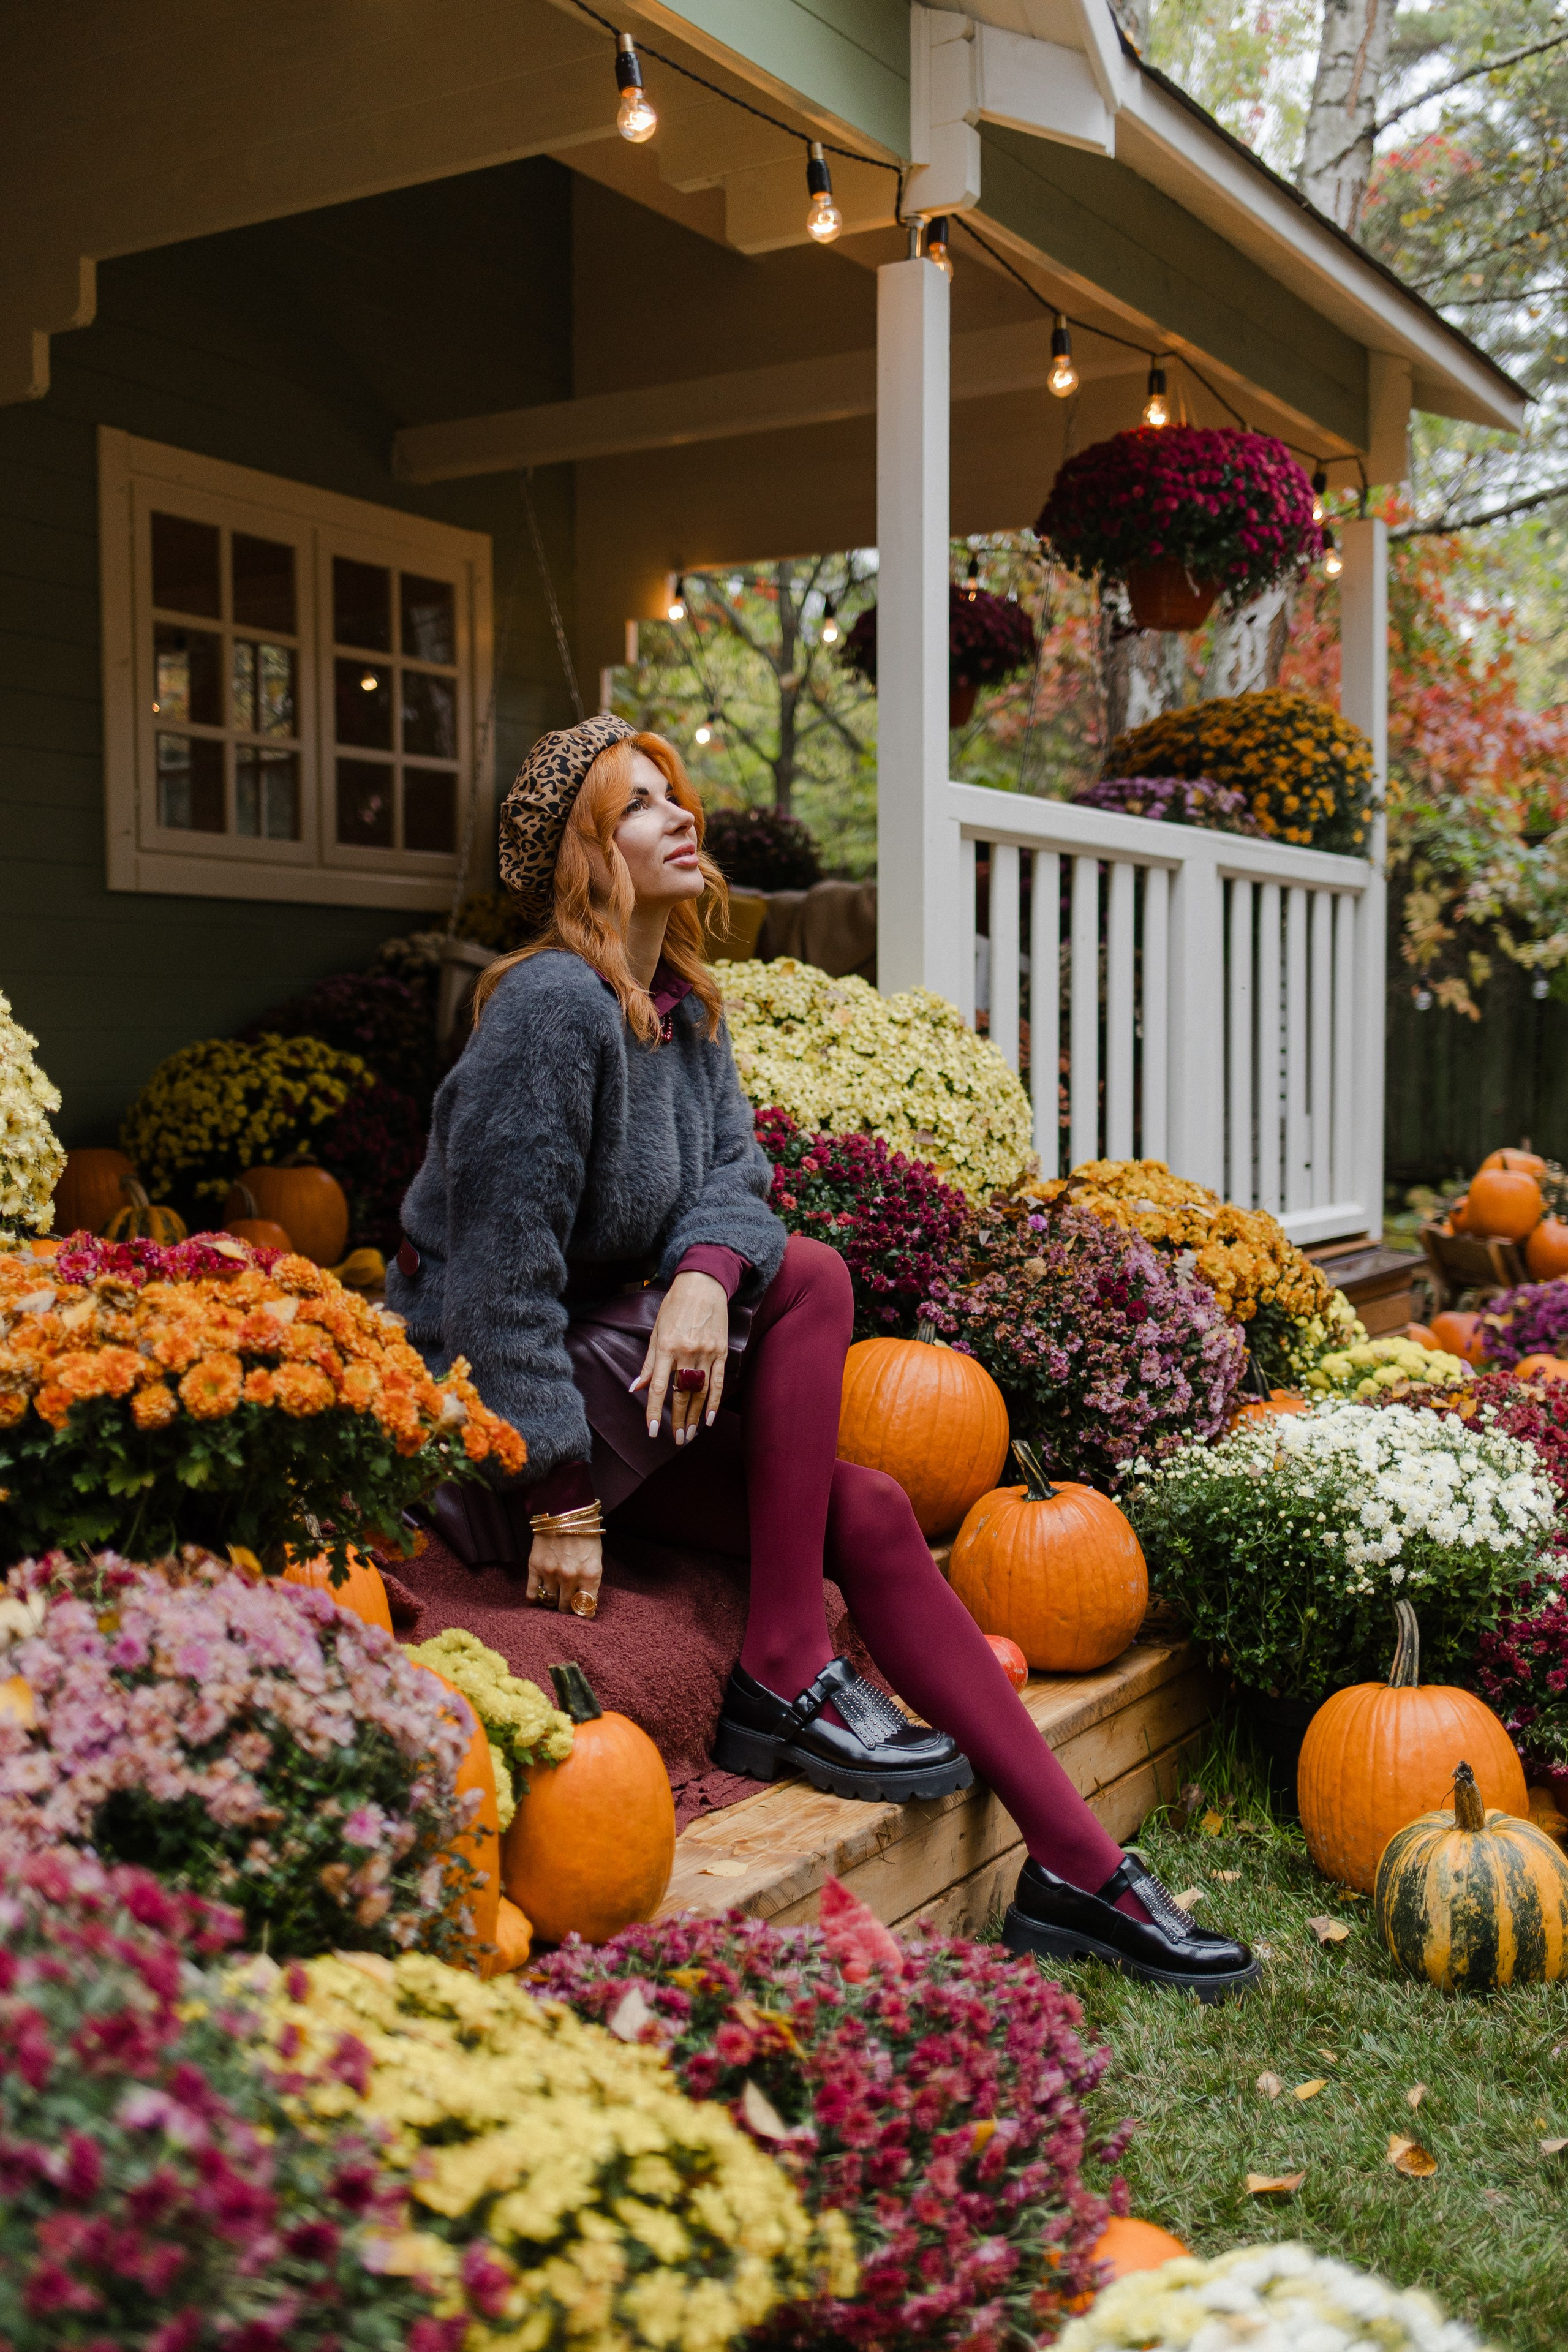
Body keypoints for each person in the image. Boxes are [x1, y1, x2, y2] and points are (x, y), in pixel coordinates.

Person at [390, 714, 1257, 1999]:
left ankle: (1080, 1871)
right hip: (495, 1422)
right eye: (640, 805)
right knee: (810, 1275)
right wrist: (558, 1496)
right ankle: (785, 1669)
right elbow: (494, 1289)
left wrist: (696, 1277)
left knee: (869, 1503)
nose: (682, 817)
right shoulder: (547, 1012)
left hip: (604, 1373)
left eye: (675, 793)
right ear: (584, 853)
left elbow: (739, 1180)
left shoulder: (685, 1010)